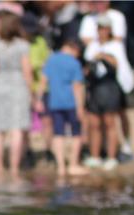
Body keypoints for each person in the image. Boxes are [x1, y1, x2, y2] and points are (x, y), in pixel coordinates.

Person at [0, 10, 32, 178]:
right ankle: (14, 167)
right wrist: (32, 93)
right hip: (18, 86)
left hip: (0, 85)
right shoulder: (22, 45)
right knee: (16, 129)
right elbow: (27, 71)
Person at [83, 16, 129, 170]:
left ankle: (111, 156)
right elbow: (87, 66)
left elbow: (118, 65)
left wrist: (102, 56)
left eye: (104, 28)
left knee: (110, 123)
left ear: (109, 29)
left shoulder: (115, 45)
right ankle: (95, 156)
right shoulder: (92, 46)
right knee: (94, 124)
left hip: (110, 87)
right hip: (94, 88)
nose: (101, 31)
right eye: (99, 28)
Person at [40, 37, 87, 176]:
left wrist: (38, 99)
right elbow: (77, 86)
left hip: (54, 102)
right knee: (76, 133)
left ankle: (60, 166)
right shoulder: (74, 63)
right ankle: (73, 164)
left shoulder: (51, 60)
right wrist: (80, 107)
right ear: (75, 49)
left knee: (58, 133)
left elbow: (43, 81)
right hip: (71, 102)